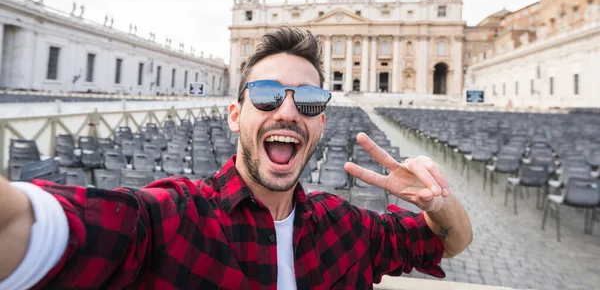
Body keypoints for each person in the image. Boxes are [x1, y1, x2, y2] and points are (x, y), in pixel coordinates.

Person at [0, 27, 472, 289]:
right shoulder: (169, 221)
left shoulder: (347, 228)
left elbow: (452, 242)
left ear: (321, 122)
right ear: (234, 114)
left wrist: (437, 201)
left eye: (308, 99)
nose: (287, 109)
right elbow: (23, 226)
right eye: (266, 94)